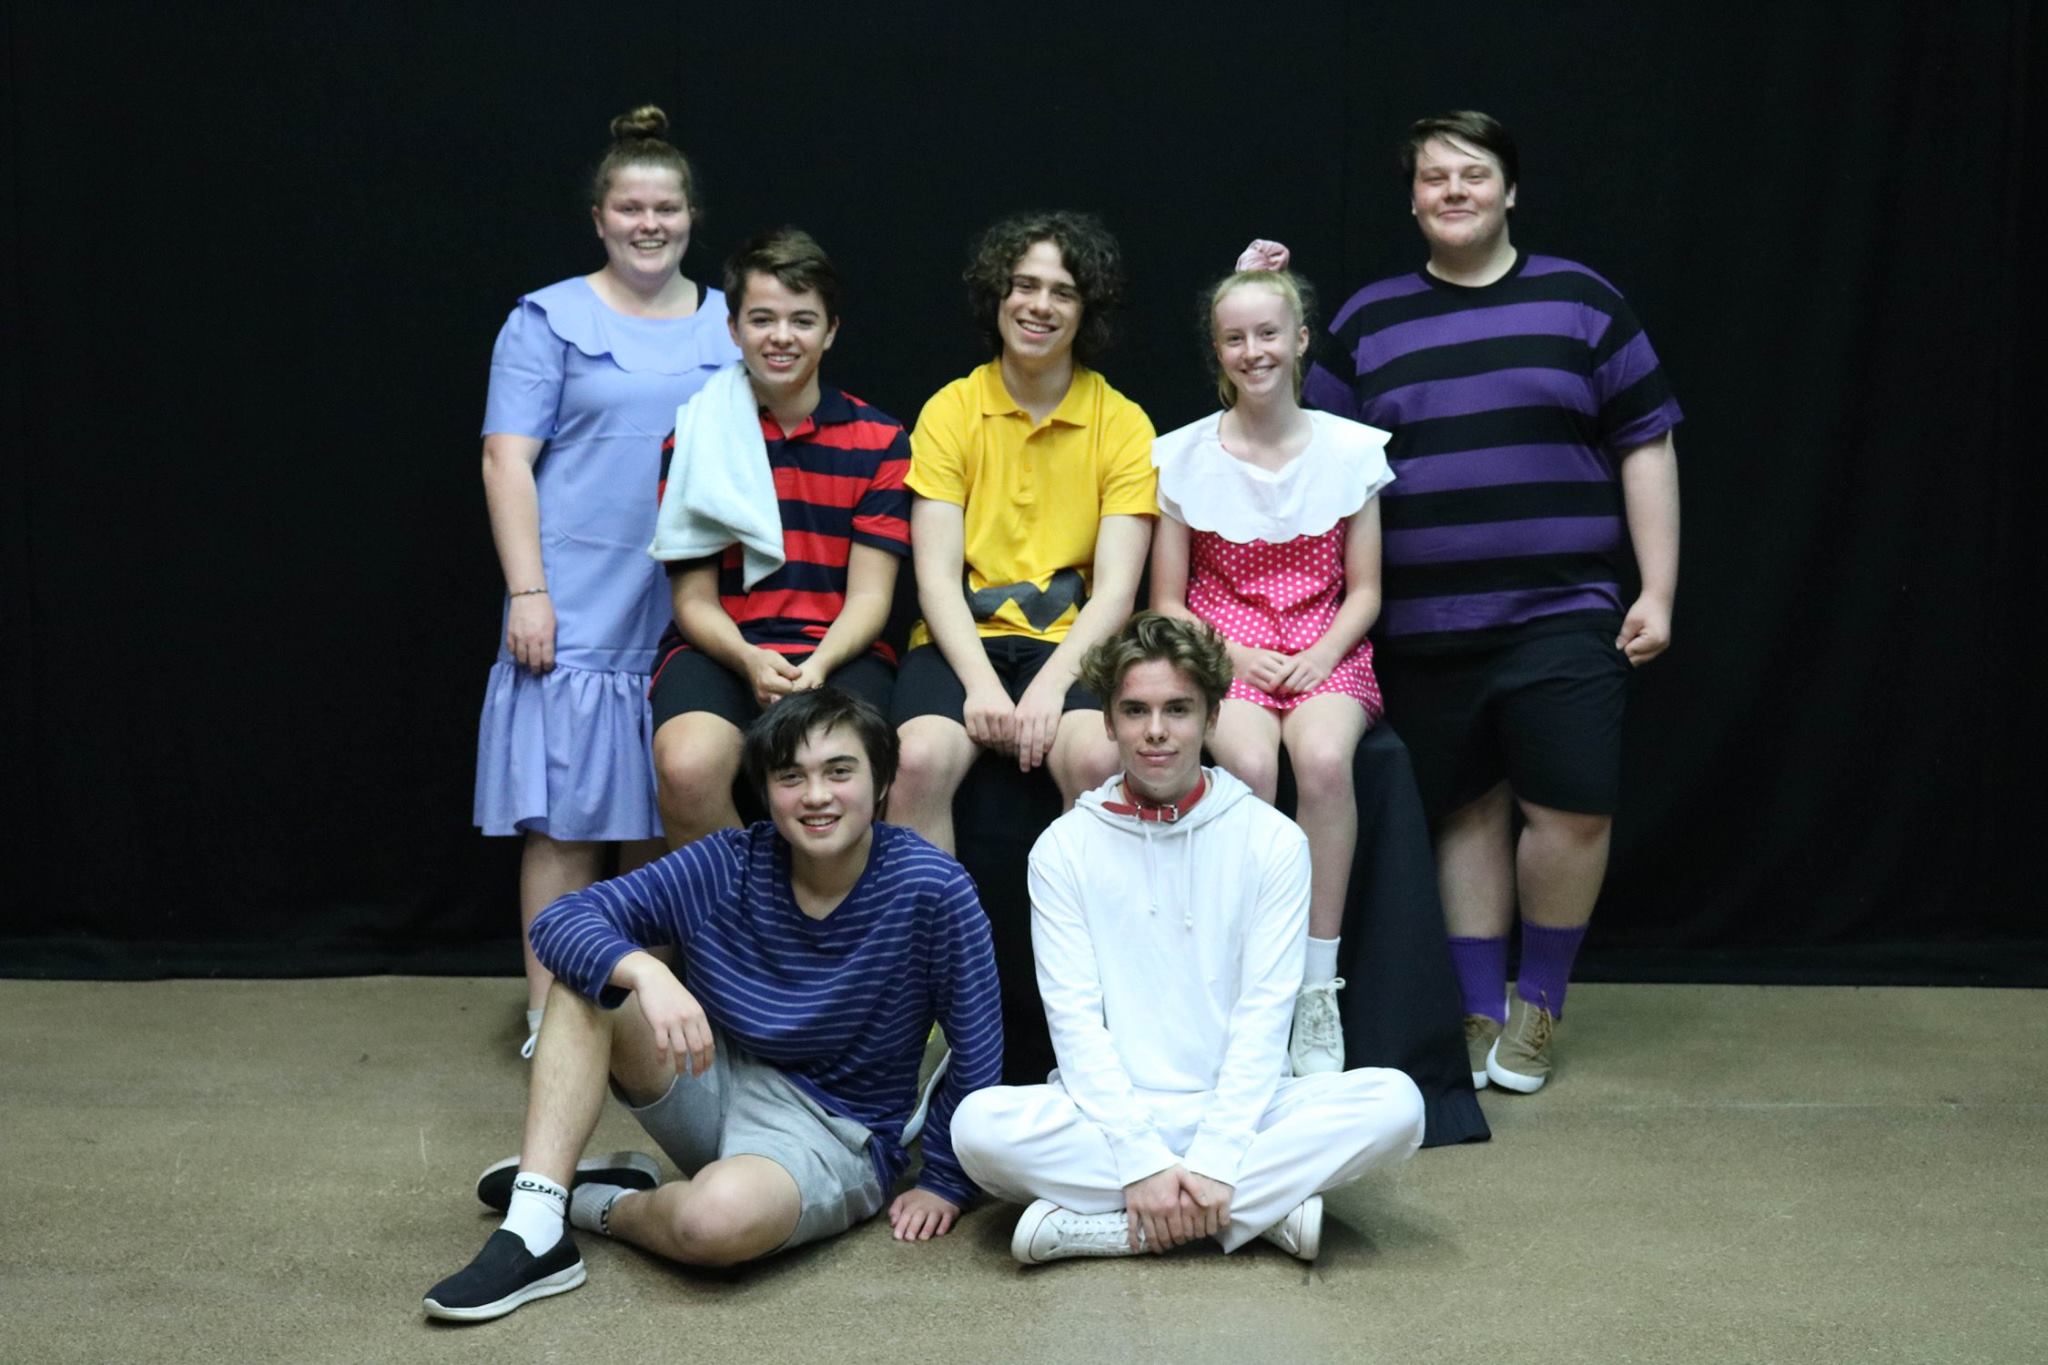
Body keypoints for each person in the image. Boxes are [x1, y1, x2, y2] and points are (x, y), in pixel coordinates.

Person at [1242, 109, 1683, 1093]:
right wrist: (1260, 298)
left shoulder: (1583, 303)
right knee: (1464, 813)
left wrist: (1656, 588)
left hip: (1562, 613)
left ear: (1508, 189)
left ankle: (1538, 1006)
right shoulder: (1369, 320)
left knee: (1569, 812)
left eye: (1472, 173)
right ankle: (1477, 1007)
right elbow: (1295, 448)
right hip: (1419, 624)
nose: (1452, 190)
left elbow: (1645, 443)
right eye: (1433, 176)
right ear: (1412, 200)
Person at [423, 688, 1003, 1323]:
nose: (816, 796)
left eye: (839, 772)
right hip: (710, 1076)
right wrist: (646, 969)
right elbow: (561, 921)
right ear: (767, 791)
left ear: (882, 781)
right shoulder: (728, 863)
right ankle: (534, 1225)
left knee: (712, 1223)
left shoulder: (932, 888)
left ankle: (592, 1204)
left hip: (831, 1133)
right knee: (585, 979)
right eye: (791, 777)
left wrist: (945, 1179)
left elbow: (976, 1043)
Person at [949, 613, 1425, 1265]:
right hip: (1109, 1114)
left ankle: (1122, 1229)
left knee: (1397, 1104)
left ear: (1211, 717)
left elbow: (1265, 1016)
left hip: (1246, 1109)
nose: (1156, 730)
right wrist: (1140, 1156)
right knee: (976, 1127)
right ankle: (1256, 1210)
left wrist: (1218, 1155)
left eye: (1177, 709)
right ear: (1109, 722)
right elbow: (1075, 1024)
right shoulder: (1063, 847)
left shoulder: (1273, 840)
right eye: (1135, 710)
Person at [474, 105, 741, 1058]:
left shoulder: (731, 322)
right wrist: (528, 592)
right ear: (599, 217)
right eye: (630, 207)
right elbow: (506, 460)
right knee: (566, 823)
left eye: (666, 208)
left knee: (663, 818)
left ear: (691, 215)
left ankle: (637, 1033)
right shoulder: (547, 319)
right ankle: (551, 1022)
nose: (648, 224)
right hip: (576, 599)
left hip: (690, 601)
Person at [1150, 267, 1395, 1076]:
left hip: (1326, 647)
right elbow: (1168, 599)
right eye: (1234, 338)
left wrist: (1323, 653)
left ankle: (1316, 987)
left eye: (1267, 333)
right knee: (1251, 766)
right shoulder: (1183, 455)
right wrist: (1230, 653)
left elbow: (1365, 591)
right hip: (1229, 652)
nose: (1253, 351)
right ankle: (1250, 980)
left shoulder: (1350, 450)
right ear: (1217, 350)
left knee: (1321, 760)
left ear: (1299, 340)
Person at [888, 212, 1157, 853]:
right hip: (961, 642)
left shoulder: (1123, 423)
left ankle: (1071, 927)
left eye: (1063, 292)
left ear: (1086, 310)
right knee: (916, 760)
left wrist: (1052, 686)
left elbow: (1117, 593)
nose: (1040, 306)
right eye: (1025, 286)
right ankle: (936, 925)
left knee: (1098, 761)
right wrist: (982, 685)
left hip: (1073, 643)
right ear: (999, 296)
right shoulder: (950, 410)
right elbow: (935, 579)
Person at [646, 228, 910, 848]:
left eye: (802, 320)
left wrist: (817, 666)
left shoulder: (880, 441)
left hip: (838, 652)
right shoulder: (695, 437)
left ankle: (828, 909)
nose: (782, 337)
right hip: (723, 649)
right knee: (686, 766)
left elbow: (871, 599)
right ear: (733, 329)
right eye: (762, 319)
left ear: (831, 331)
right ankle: (747, 905)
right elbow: (692, 602)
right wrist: (749, 660)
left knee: (839, 776)